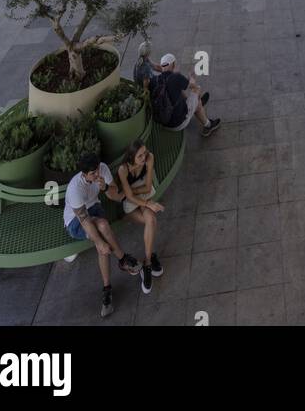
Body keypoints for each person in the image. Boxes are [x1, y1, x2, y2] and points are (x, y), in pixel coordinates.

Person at [63, 153, 140, 319]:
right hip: (75, 222)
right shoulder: (74, 189)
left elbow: (114, 193)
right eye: (92, 173)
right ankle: (122, 259)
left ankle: (107, 289)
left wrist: (105, 187)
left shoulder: (102, 169)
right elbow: (84, 221)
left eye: (97, 170)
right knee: (102, 234)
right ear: (84, 175)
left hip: (94, 208)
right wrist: (98, 241)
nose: (97, 174)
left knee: (103, 229)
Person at [114, 141, 164, 296]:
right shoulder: (123, 170)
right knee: (151, 220)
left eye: (145, 153)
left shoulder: (149, 158)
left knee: (151, 220)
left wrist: (131, 192)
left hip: (141, 197)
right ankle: (150, 259)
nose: (144, 157)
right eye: (140, 155)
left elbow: (147, 187)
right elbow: (127, 197)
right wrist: (145, 200)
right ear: (131, 156)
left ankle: (147, 263)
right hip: (131, 204)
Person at [155, 54, 219, 136]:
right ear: (174, 65)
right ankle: (208, 125)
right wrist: (191, 77)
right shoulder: (175, 77)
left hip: (164, 123)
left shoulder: (155, 80)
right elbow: (193, 86)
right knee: (197, 89)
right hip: (178, 123)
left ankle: (196, 104)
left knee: (179, 91)